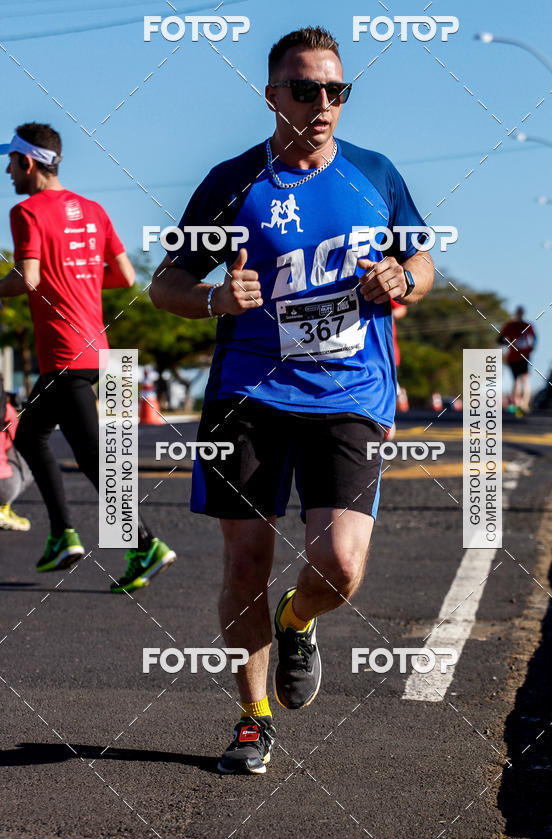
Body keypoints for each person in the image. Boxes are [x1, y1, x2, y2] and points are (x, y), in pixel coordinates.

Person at [150, 26, 433, 774]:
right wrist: (215, 297)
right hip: (251, 392)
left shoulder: (375, 173)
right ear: (272, 95)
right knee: (246, 560)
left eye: (336, 91)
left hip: (351, 393)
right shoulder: (233, 182)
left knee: (340, 565)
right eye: (305, 89)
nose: (322, 104)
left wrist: (402, 280)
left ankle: (298, 618)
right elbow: (165, 285)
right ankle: (252, 719)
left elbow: (421, 255)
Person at [0, 123, 176, 591]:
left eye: (11, 162)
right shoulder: (94, 210)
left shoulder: (27, 212)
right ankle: (66, 535)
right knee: (37, 435)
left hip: (64, 353)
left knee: (92, 458)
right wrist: (74, 279)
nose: (7, 171)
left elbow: (29, 279)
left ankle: (140, 544)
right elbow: (122, 275)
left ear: (29, 163)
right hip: (97, 349)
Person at [0, 373, 33, 530]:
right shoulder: (6, 411)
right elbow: (21, 442)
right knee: (30, 451)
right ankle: (3, 510)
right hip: (4, 485)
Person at [498, 306, 536, 414]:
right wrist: (510, 343)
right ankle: (517, 403)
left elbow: (534, 338)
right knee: (515, 380)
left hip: (524, 356)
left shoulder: (527, 326)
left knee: (524, 379)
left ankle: (524, 404)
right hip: (512, 357)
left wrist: (531, 349)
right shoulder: (510, 325)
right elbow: (499, 339)